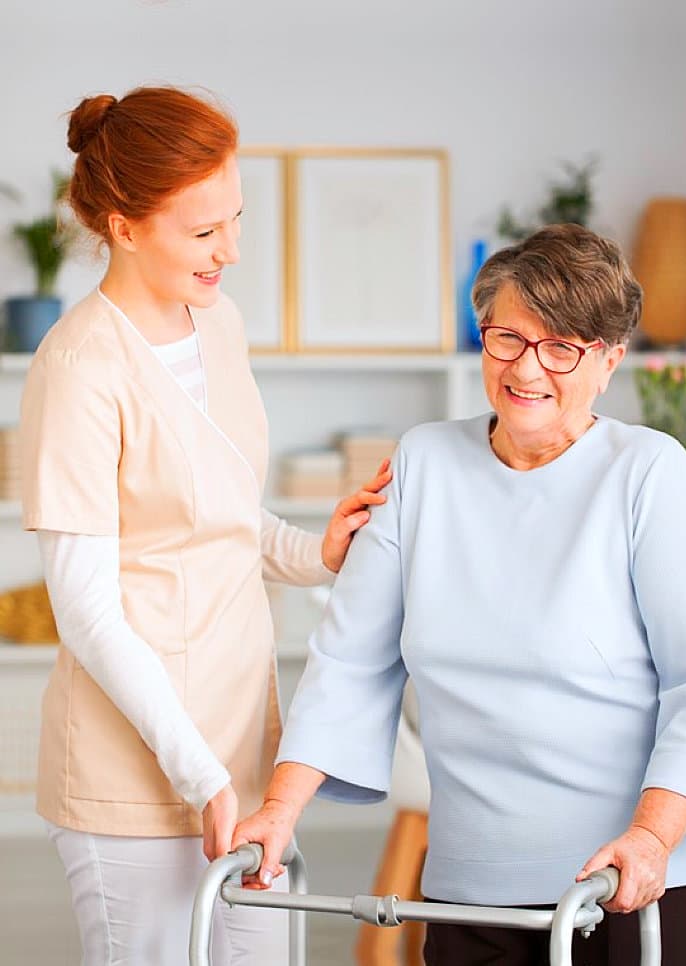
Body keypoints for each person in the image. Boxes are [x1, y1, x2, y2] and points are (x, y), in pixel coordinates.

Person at [233, 223, 686, 966]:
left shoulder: (646, 472)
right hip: (471, 876)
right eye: (507, 337)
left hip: (635, 876)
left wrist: (651, 837)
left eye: (561, 346)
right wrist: (279, 812)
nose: (527, 367)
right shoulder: (422, 463)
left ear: (607, 361)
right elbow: (348, 659)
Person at [19, 85, 391, 965]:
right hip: (137, 776)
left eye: (234, 218)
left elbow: (218, 509)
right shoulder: (76, 367)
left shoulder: (216, 324)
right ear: (122, 224)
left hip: (245, 749)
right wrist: (200, 775)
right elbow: (86, 613)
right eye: (202, 231)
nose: (230, 250)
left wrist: (315, 552)